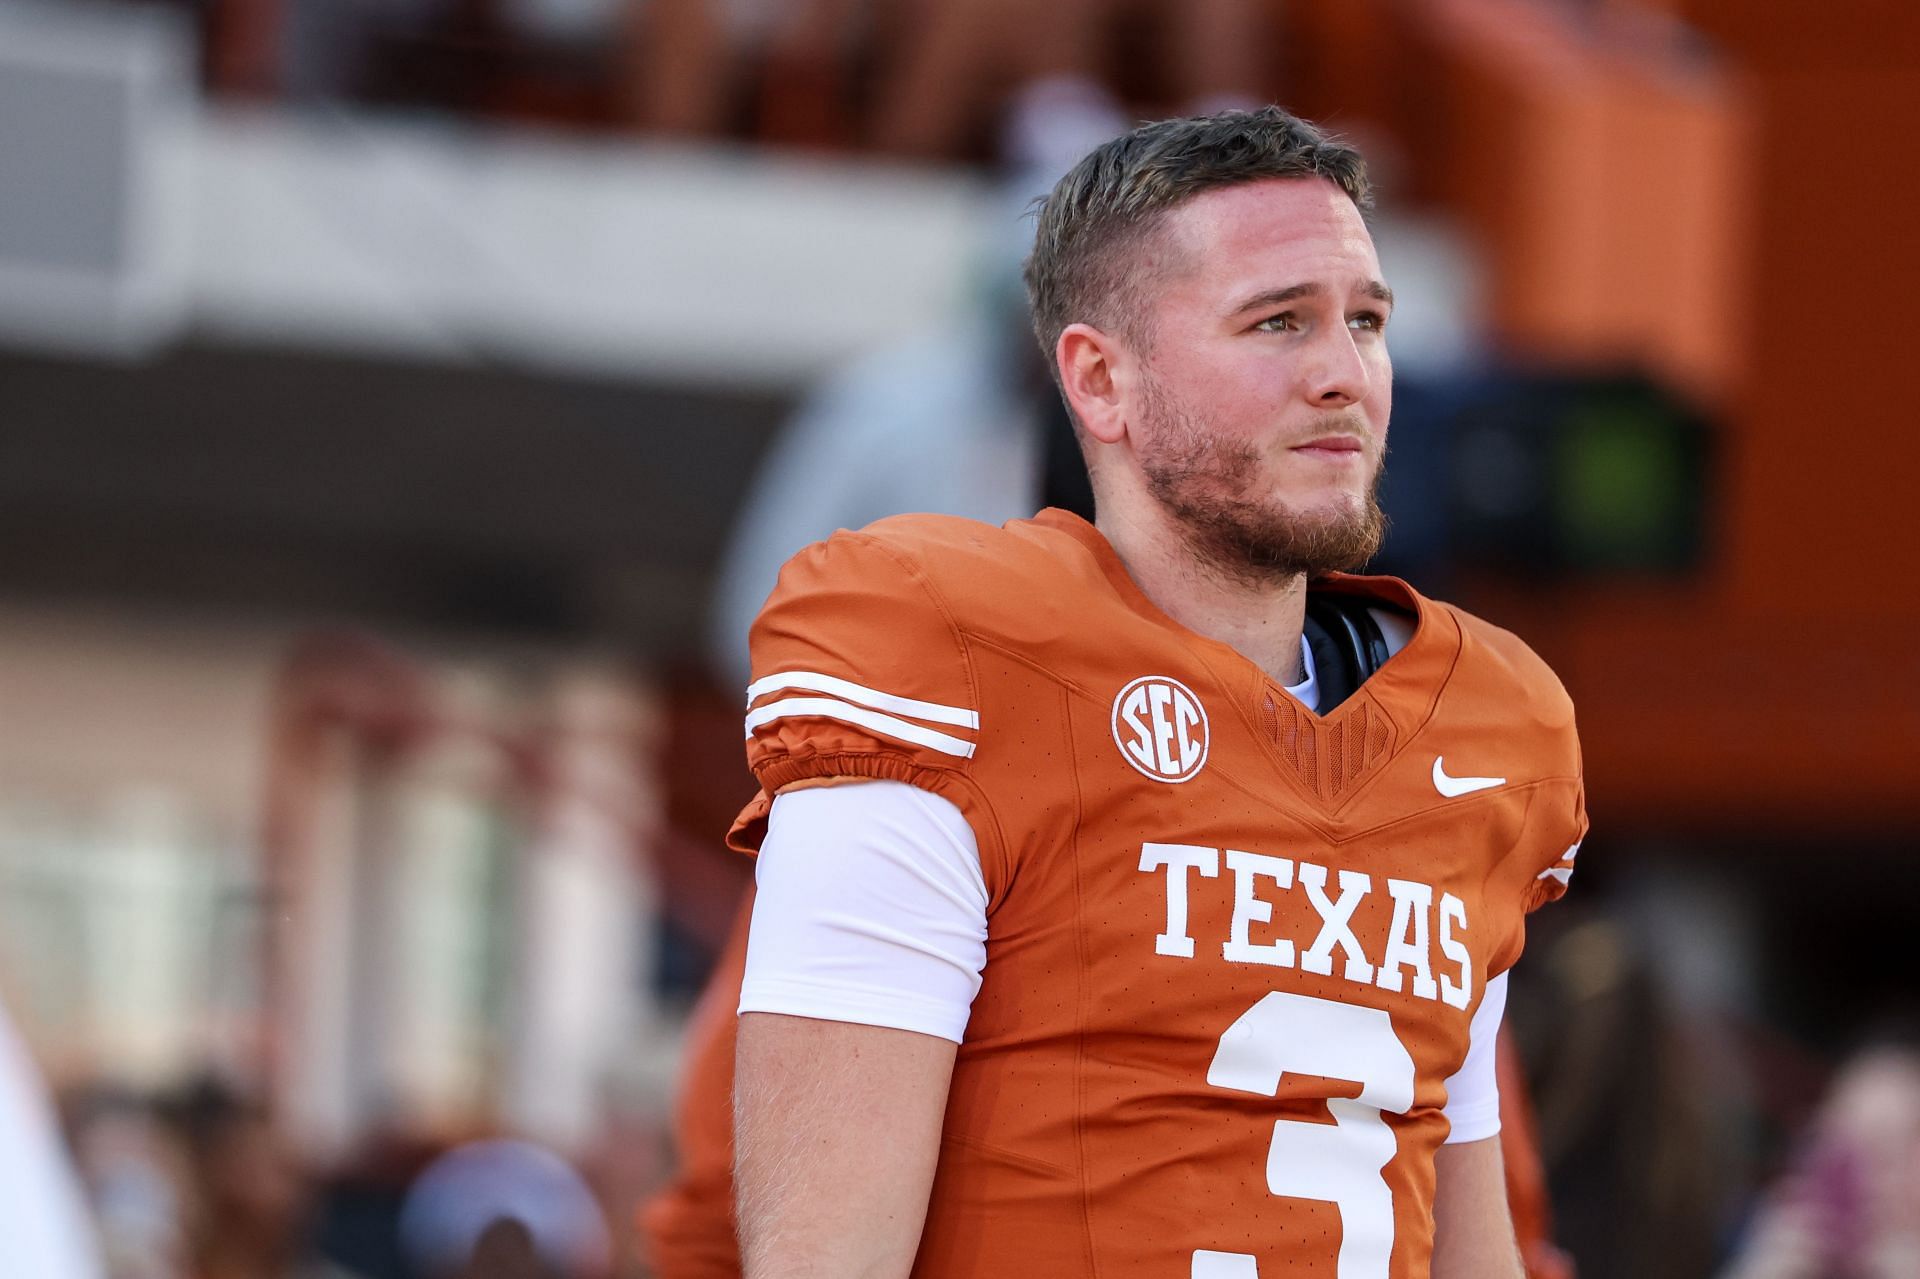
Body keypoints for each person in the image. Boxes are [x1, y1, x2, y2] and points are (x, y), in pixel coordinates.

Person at [722, 106, 1586, 1278]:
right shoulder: (951, 655)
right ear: (1101, 380)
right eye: (1278, 322)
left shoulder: (1492, 728)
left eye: (1367, 322)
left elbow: (1469, 1248)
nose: (1345, 375)